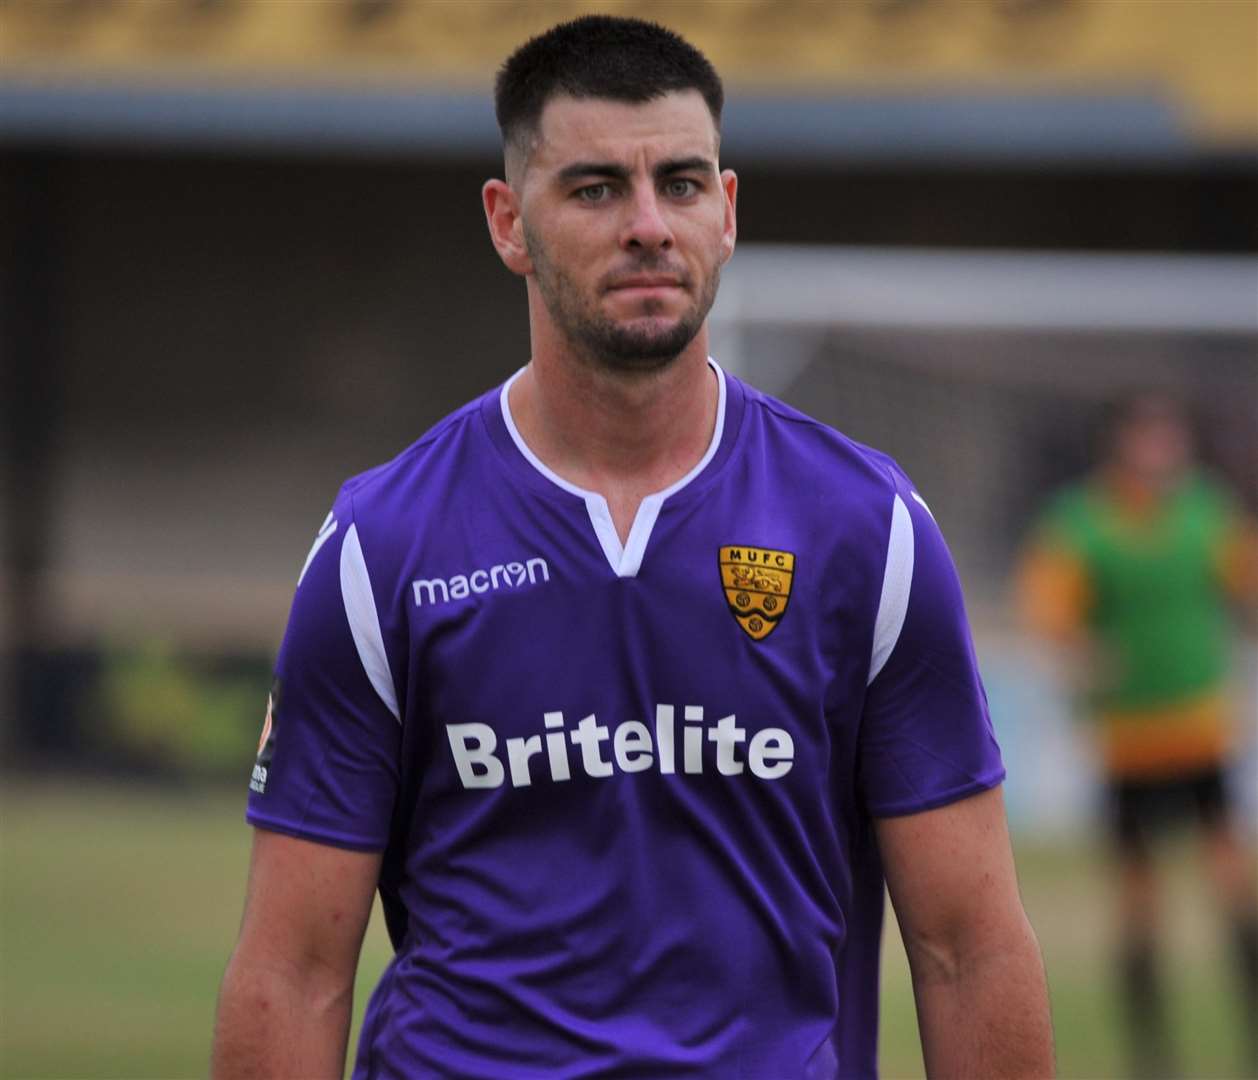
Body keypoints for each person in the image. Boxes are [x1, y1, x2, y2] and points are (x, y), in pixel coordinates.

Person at [212, 15, 1053, 1078]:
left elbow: (967, 948)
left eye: (683, 184)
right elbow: (293, 970)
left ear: (728, 211)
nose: (649, 224)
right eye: (597, 188)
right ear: (508, 222)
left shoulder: (864, 529)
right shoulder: (385, 543)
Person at [1018, 392, 1258, 1078]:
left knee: (1233, 886)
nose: (1161, 452)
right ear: (1120, 445)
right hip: (1128, 741)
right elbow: (1048, 609)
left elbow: (1245, 586)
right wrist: (1080, 648)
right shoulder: (1082, 523)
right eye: (1148, 438)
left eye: (1169, 438)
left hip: (1201, 731)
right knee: (1138, 905)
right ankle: (1152, 1054)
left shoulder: (1206, 513)